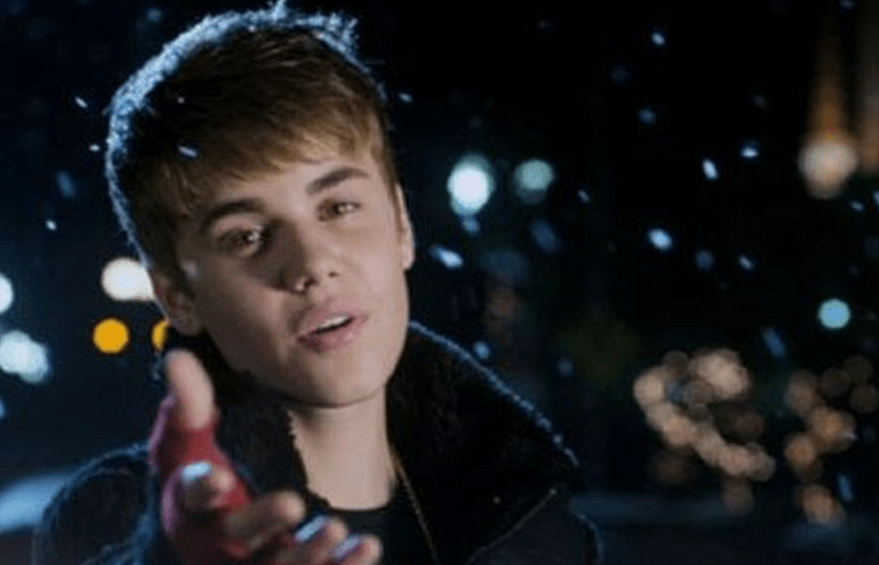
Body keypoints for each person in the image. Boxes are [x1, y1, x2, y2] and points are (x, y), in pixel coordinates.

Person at [31, 2, 600, 564]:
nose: (312, 264)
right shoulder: (119, 517)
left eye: (339, 207)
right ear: (177, 296)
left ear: (401, 224)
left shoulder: (536, 524)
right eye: (248, 236)